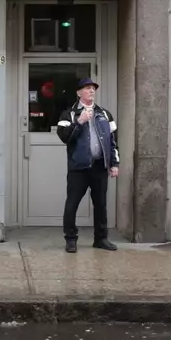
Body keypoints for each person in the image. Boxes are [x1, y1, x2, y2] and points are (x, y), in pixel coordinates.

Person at [56, 78, 120, 253]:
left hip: (100, 167)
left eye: (93, 88)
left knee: (100, 204)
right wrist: (80, 121)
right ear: (79, 93)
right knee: (72, 204)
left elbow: (113, 141)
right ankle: (71, 239)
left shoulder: (104, 114)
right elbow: (64, 137)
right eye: (87, 88)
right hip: (78, 168)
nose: (91, 91)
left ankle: (101, 239)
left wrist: (114, 164)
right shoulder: (68, 114)